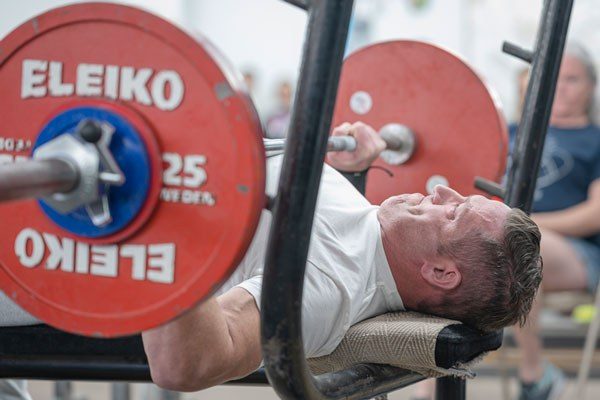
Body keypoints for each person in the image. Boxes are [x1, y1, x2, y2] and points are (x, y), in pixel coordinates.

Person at [141, 121, 542, 391]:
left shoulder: (328, 286)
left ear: (439, 272)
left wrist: (167, 205)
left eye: (454, 212)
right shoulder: (367, 234)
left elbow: (186, 364)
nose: (440, 193)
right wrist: (349, 171)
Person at [510, 43, 600, 400]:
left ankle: (535, 375)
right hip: (502, 245)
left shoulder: (595, 140)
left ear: (591, 87)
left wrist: (527, 223)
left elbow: (595, 213)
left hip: (576, 255)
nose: (559, 87)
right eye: (551, 79)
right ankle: (427, 389)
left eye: (572, 79)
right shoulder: (511, 132)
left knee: (524, 243)